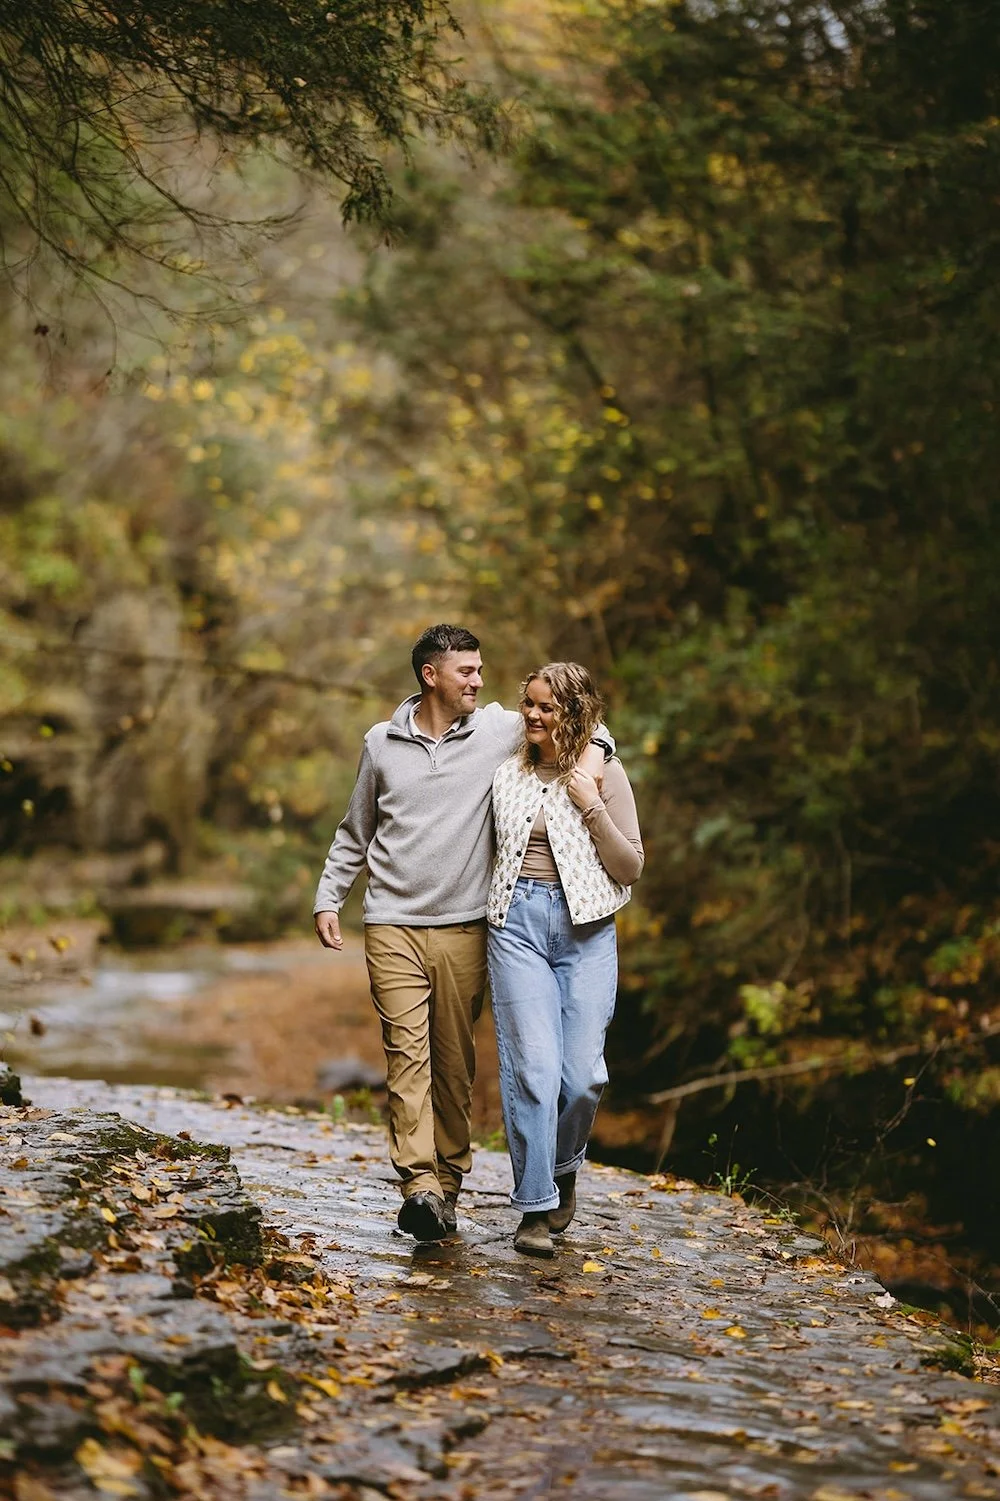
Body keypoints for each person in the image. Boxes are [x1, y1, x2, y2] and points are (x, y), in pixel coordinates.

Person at [313, 625, 612, 1243]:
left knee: (453, 1064)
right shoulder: (382, 742)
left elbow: (589, 724)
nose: (479, 680)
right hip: (391, 922)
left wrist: (587, 767)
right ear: (431, 675)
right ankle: (419, 1184)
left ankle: (448, 1185)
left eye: (480, 670)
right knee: (406, 1056)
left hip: (466, 927)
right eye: (467, 672)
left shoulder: (500, 730)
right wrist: (328, 899)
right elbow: (355, 829)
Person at [486, 662, 644, 1258]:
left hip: (588, 932)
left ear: (573, 715)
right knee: (533, 1070)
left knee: (582, 1079)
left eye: (546, 708)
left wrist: (590, 805)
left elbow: (630, 868)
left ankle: (564, 1165)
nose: (531, 715)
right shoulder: (507, 770)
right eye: (528, 703)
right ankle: (534, 1206)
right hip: (515, 926)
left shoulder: (604, 775)